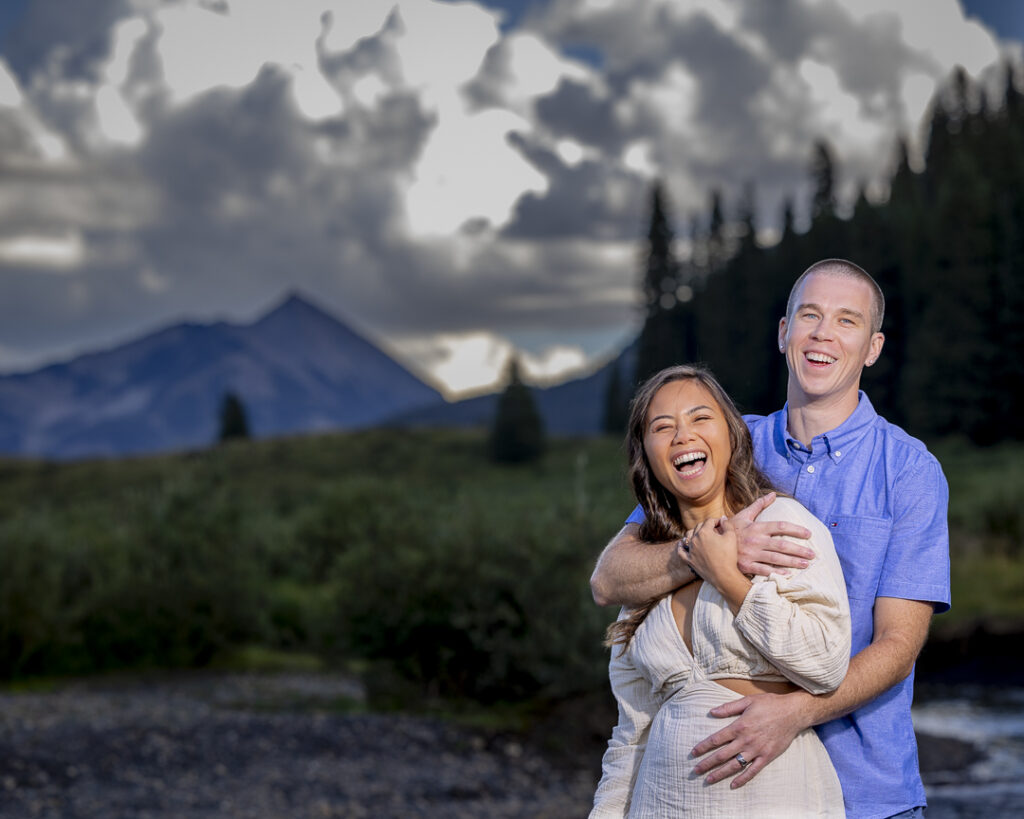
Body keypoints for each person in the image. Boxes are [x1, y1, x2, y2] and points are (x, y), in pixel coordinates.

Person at [591, 259, 951, 819]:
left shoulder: (909, 471)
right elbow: (612, 576)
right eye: (809, 315)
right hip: (732, 790)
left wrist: (796, 712)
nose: (822, 334)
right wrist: (704, 550)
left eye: (846, 321)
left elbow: (898, 647)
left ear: (873, 347)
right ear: (784, 333)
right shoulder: (728, 442)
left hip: (868, 788)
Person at [590, 365, 851, 817]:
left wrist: (729, 578)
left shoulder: (783, 527)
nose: (682, 436)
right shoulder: (648, 570)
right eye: (662, 427)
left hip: (775, 797)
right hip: (660, 802)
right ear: (646, 455)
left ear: (732, 435)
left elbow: (826, 663)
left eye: (699, 418)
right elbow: (630, 735)